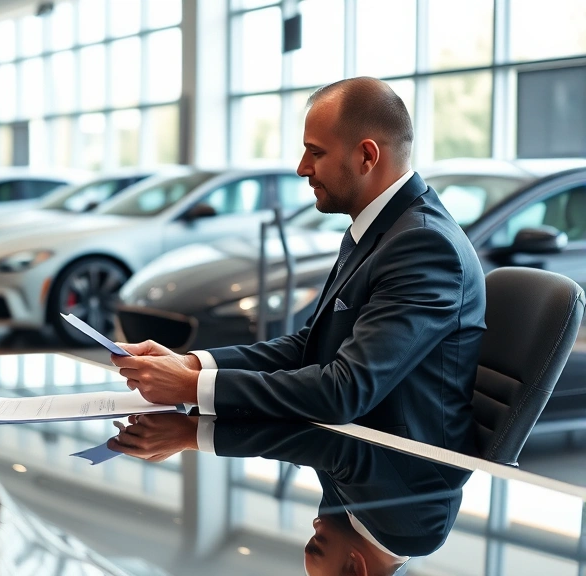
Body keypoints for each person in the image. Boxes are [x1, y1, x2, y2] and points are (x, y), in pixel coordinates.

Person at [111, 77, 487, 454]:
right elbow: (310, 345)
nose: (301, 168)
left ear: (367, 157)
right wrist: (193, 364)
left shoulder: (423, 245)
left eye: (315, 153)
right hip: (352, 459)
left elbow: (344, 391)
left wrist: (189, 387)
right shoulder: (380, 228)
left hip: (400, 478)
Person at [107, 413, 470, 576]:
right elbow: (332, 441)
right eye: (318, 542)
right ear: (354, 568)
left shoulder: (357, 524)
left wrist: (192, 420)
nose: (314, 522)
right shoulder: (416, 531)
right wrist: (192, 434)